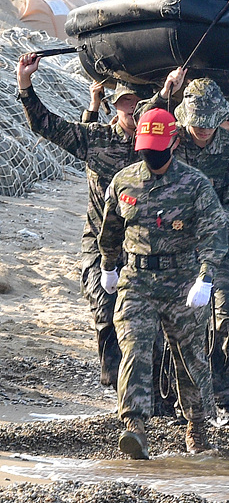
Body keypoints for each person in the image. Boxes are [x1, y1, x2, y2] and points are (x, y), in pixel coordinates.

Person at [99, 107, 228, 459]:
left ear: (173, 142)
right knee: (135, 350)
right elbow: (110, 229)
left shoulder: (195, 184)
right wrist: (108, 267)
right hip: (136, 281)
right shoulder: (123, 181)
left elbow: (215, 233)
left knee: (190, 359)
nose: (151, 153)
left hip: (181, 281)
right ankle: (135, 427)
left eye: (158, 145)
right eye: (146, 145)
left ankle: (197, 427)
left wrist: (205, 278)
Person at [16, 55, 143, 391]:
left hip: (145, 247)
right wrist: (25, 84)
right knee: (106, 314)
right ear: (114, 106)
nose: (130, 109)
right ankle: (117, 387)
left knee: (144, 327)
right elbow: (46, 125)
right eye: (124, 102)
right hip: (101, 246)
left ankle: (139, 399)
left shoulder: (161, 145)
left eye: (136, 102)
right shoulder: (97, 138)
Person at [143, 69, 229, 427]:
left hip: (217, 248)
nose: (204, 130)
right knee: (176, 328)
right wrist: (165, 93)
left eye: (210, 123)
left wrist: (207, 221)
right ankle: (178, 404)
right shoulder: (173, 143)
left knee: (227, 325)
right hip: (175, 250)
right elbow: (146, 124)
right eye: (197, 124)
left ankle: (228, 403)